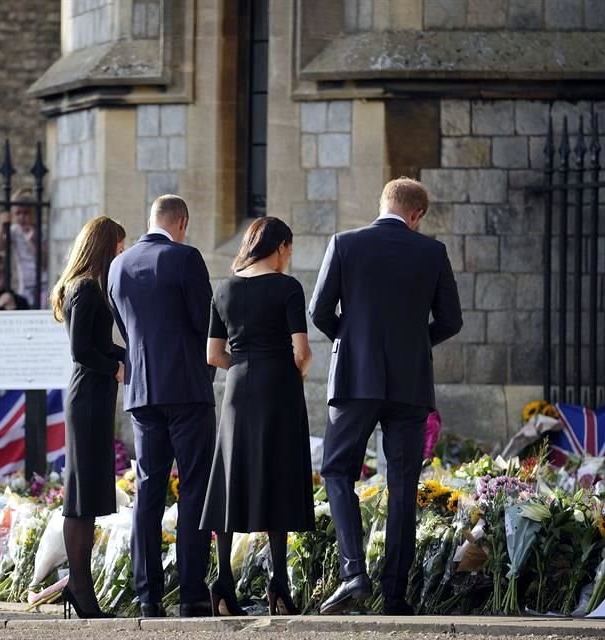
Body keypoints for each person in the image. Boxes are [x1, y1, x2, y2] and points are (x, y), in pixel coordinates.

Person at [309, 177, 463, 616]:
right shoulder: (432, 252)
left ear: (384, 204)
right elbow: (450, 320)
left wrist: (353, 341)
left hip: (355, 381)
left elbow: (319, 311)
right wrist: (415, 346)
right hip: (410, 384)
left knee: (338, 471)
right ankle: (395, 596)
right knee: (402, 485)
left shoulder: (345, 244)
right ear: (416, 215)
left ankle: (353, 572)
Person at [108, 194, 215, 618]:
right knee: (193, 489)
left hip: (142, 393)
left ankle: (147, 594)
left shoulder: (118, 267)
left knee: (149, 491)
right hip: (187, 389)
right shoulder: (186, 258)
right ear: (182, 221)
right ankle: (191, 592)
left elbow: (125, 328)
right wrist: (204, 375)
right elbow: (206, 324)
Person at [201, 216, 315, 616]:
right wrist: (295, 369)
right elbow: (301, 351)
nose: (289, 256)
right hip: (279, 387)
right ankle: (279, 584)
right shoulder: (288, 288)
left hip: (237, 387)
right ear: (280, 246)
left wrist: (244, 362)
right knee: (278, 474)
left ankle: (223, 584)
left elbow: (213, 355)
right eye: (290, 249)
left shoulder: (225, 289)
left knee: (234, 477)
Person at [51, 216, 127, 619]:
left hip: (97, 398)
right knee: (79, 500)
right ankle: (79, 587)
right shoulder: (83, 288)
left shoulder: (92, 288)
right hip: (87, 397)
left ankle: (81, 587)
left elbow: (100, 343)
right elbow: (82, 350)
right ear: (103, 246)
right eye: (118, 246)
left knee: (90, 497)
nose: (121, 253)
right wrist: (116, 366)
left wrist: (126, 356)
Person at [0, 188, 47, 307]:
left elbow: (43, 262)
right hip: (25, 284)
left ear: (33, 213)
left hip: (43, 283)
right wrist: (1, 225)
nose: (22, 217)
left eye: (26, 213)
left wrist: (31, 240)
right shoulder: (15, 231)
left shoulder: (41, 230)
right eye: (18, 213)